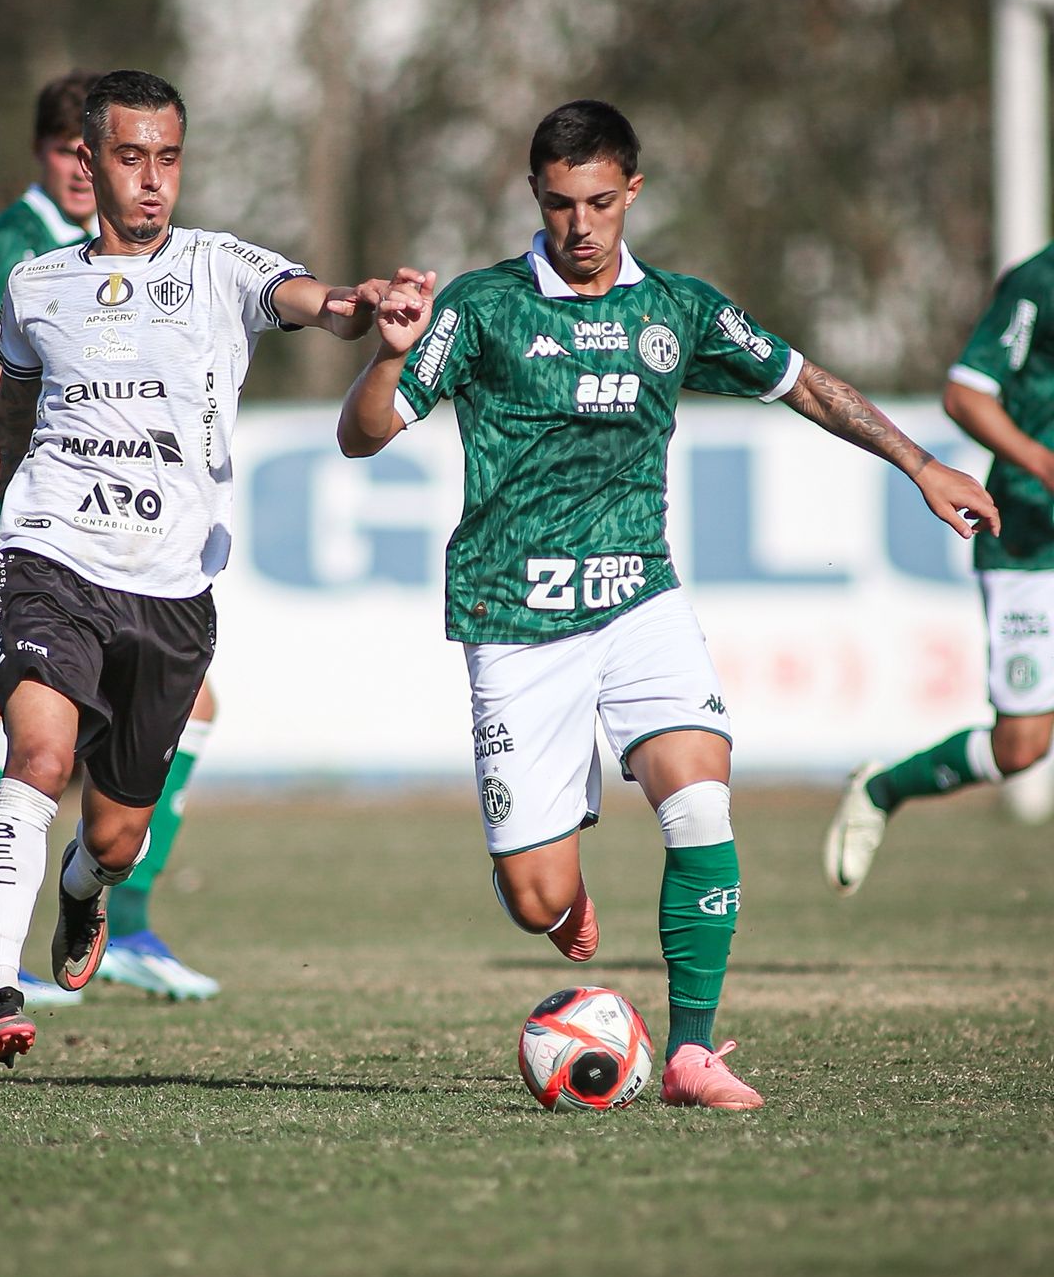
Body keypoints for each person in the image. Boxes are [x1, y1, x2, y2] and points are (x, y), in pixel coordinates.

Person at [337, 98, 998, 1111]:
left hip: (638, 600)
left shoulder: (676, 309)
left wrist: (917, 463)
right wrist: (389, 349)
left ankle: (690, 1053)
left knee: (696, 798)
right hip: (513, 623)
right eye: (559, 204)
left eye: (599, 201)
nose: (580, 225)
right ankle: (563, 900)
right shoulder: (479, 307)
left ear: (631, 191)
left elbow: (803, 383)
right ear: (534, 199)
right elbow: (363, 435)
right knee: (534, 899)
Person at [0, 68, 395, 1069]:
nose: (152, 177)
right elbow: (9, 432)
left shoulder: (215, 265)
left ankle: (82, 892)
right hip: (49, 557)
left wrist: (359, 305)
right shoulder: (33, 284)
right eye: (130, 155)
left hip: (168, 592)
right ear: (87, 159)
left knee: (114, 839)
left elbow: (313, 302)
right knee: (34, 755)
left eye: (167, 156)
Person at [0, 70, 221, 1011]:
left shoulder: (180, 262)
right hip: (33, 533)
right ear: (66, 155)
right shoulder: (19, 253)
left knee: (125, 794)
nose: (127, 175)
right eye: (87, 151)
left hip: (151, 566)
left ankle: (102, 893)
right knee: (29, 750)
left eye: (162, 157)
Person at [824, 241, 1054, 893]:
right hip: (1032, 538)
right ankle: (885, 789)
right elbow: (966, 393)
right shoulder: (1042, 281)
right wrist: (1043, 464)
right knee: (1021, 748)